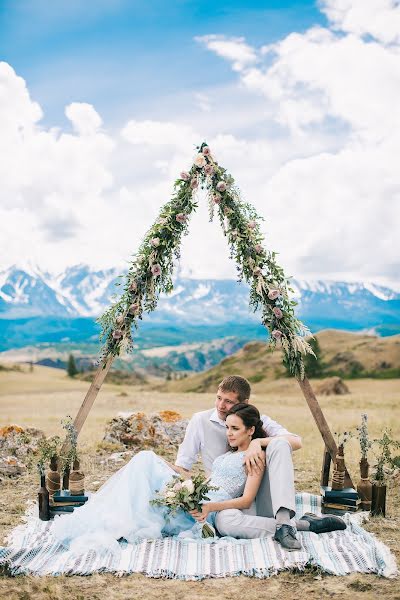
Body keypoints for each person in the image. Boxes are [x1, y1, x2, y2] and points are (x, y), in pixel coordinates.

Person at [50, 403, 345, 557]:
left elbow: (245, 500)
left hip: (215, 510)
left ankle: (298, 525)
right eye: (227, 427)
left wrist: (210, 508)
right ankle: (114, 518)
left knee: (226, 521)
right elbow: (205, 480)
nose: (228, 433)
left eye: (235, 428)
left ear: (251, 430)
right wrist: (182, 482)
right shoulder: (224, 457)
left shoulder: (254, 457)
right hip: (201, 502)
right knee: (146, 460)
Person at [174, 375, 345, 550]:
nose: (221, 406)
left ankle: (284, 522)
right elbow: (183, 466)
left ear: (245, 404)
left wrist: (258, 442)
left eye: (229, 402)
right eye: (218, 398)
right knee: (224, 521)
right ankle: (301, 525)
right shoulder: (201, 423)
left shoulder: (254, 420)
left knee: (279, 443)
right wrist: (187, 491)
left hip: (254, 498)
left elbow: (296, 441)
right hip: (224, 505)